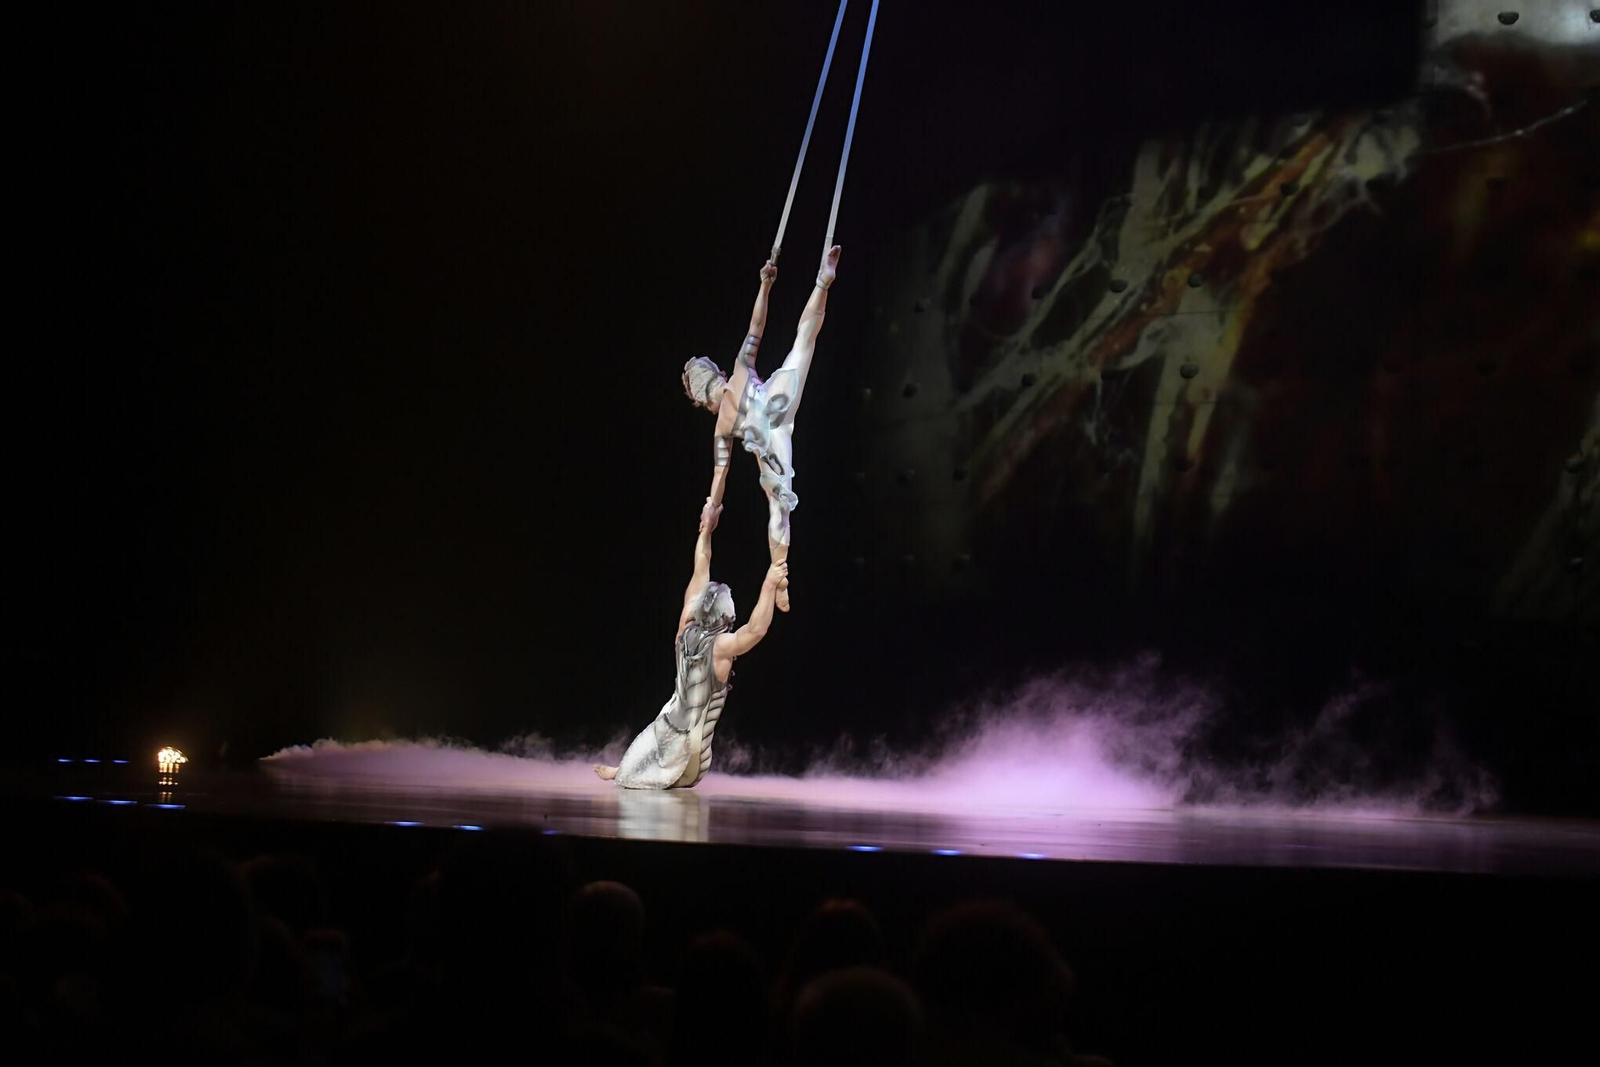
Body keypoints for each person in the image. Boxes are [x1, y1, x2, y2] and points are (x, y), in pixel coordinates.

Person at [681, 245, 841, 612]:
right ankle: (822, 282)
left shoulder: (721, 427)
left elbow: (720, 476)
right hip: (776, 402)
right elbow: (757, 325)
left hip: (769, 438)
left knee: (778, 509)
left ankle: (779, 572)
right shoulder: (740, 367)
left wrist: (711, 510)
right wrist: (765, 286)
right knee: (803, 341)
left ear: (702, 400)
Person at [594, 502, 786, 789]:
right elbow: (755, 630)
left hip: (686, 747)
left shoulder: (685, 630)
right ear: (727, 616)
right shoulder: (720, 646)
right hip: (677, 737)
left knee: (650, 750)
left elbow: (701, 565)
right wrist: (769, 586)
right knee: (655, 737)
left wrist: (706, 531)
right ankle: (626, 770)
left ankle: (628, 771)